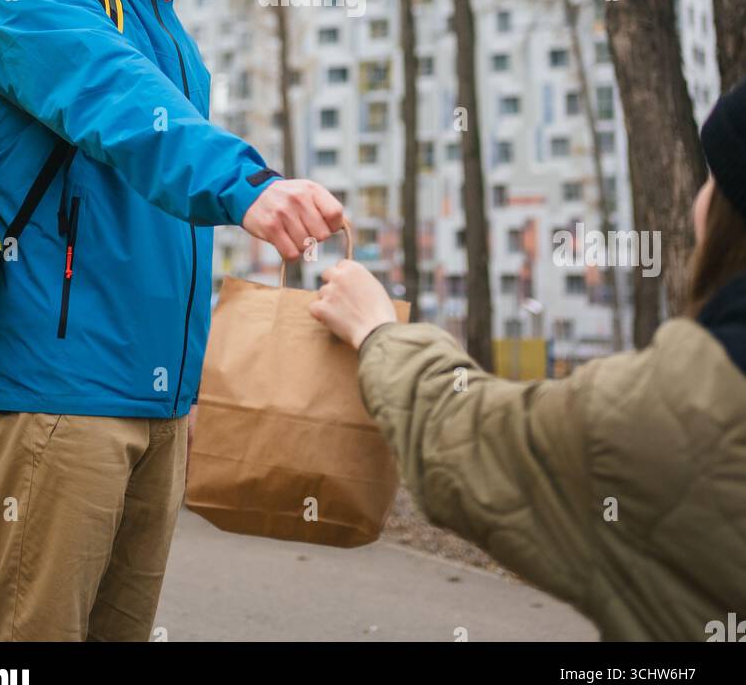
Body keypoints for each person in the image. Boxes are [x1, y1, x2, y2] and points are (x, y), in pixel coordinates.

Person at [0, 0, 343, 642]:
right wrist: (251, 183)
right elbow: (121, 106)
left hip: (156, 405)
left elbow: (155, 213)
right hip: (57, 393)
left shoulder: (170, 24)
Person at [311, 80, 746, 642]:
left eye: (713, 178)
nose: (698, 199)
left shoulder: (686, 401)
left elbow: (468, 439)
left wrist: (376, 331)